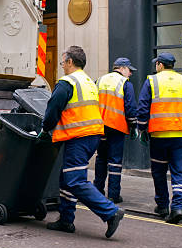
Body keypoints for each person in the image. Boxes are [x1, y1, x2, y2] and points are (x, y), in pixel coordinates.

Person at [39, 46, 124, 238]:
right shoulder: (88, 81)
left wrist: (45, 128)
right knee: (66, 178)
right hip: (91, 135)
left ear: (70, 62)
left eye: (62, 62)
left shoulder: (67, 82)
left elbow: (53, 109)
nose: (62, 66)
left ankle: (111, 213)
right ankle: (66, 220)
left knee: (75, 180)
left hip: (79, 136)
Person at [136, 52, 182, 224]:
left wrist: (142, 130)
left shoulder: (152, 80)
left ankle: (163, 206)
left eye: (156, 64)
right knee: (179, 171)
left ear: (160, 65)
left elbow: (143, 107)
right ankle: (178, 207)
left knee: (159, 171)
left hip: (159, 135)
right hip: (181, 135)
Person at [94, 58, 138, 203]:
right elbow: (130, 107)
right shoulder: (125, 84)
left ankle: (97, 190)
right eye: (129, 70)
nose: (130, 73)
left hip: (100, 126)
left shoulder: (99, 80)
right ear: (122, 68)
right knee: (114, 161)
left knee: (101, 158)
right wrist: (133, 126)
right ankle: (113, 194)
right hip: (116, 127)